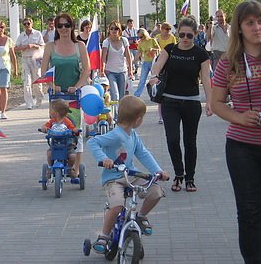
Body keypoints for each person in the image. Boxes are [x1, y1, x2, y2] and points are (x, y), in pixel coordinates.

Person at [211, 0, 261, 264]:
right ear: (239, 27)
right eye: (250, 22)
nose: (256, 27)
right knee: (249, 210)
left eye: (260, 21)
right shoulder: (228, 63)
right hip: (242, 147)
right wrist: (238, 116)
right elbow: (216, 103)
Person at [87, 95, 169, 253]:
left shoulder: (133, 135)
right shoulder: (115, 135)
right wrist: (103, 158)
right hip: (114, 179)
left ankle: (141, 216)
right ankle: (104, 236)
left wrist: (157, 171)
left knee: (156, 192)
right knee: (117, 205)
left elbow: (143, 154)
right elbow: (93, 142)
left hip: (131, 175)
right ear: (138, 120)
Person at [150, 15, 212, 192]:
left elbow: (206, 80)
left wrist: (209, 101)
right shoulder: (170, 49)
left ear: (195, 35)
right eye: (182, 35)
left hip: (192, 104)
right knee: (173, 139)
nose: (185, 39)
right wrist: (154, 75)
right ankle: (178, 174)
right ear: (178, 34)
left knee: (190, 142)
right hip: (170, 103)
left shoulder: (201, 54)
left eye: (189, 36)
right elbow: (157, 65)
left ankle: (190, 178)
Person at [41, 12, 91, 181]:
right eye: (60, 26)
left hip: (74, 95)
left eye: (67, 25)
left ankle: (75, 167)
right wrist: (51, 85)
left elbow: (87, 69)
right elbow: (44, 71)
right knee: (56, 129)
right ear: (56, 27)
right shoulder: (50, 46)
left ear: (72, 27)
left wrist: (76, 86)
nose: (63, 29)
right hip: (56, 96)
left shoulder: (79, 46)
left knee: (75, 130)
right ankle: (53, 161)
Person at [14, 17, 45, 110]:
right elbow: (15, 48)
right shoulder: (21, 36)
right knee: (26, 82)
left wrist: (34, 46)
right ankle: (29, 103)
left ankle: (39, 99)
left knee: (37, 81)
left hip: (35, 58)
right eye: (25, 24)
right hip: (25, 59)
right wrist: (25, 47)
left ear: (32, 24)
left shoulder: (37, 34)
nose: (27, 25)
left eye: (28, 23)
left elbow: (42, 46)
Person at [41, 99, 79, 167]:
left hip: (67, 145)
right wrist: (44, 128)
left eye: (50, 111)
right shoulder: (52, 121)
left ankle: (69, 168)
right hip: (55, 144)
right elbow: (46, 125)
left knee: (72, 156)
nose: (49, 113)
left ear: (57, 113)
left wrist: (75, 130)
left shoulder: (67, 121)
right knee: (49, 154)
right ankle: (50, 167)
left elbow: (72, 128)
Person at [101, 20, 133, 102]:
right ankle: (115, 115)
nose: (114, 30)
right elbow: (103, 58)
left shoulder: (124, 40)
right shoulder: (106, 42)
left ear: (119, 30)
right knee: (115, 95)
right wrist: (102, 70)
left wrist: (130, 70)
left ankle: (121, 114)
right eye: (112, 29)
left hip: (122, 71)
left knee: (122, 96)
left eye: (116, 28)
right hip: (110, 71)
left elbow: (128, 56)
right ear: (109, 30)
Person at [155, 22, 177, 124]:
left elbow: (175, 48)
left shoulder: (172, 37)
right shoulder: (157, 37)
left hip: (170, 62)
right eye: (165, 29)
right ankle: (160, 117)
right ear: (162, 29)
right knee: (161, 89)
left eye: (169, 29)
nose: (167, 31)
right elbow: (155, 47)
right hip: (160, 62)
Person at [133, 28, 160, 98]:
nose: (140, 38)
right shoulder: (140, 43)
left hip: (153, 62)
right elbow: (138, 53)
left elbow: (159, 49)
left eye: (141, 37)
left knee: (155, 79)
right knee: (142, 80)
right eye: (138, 37)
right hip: (145, 62)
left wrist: (152, 49)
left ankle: (157, 93)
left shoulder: (152, 40)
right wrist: (133, 62)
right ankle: (136, 95)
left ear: (145, 35)